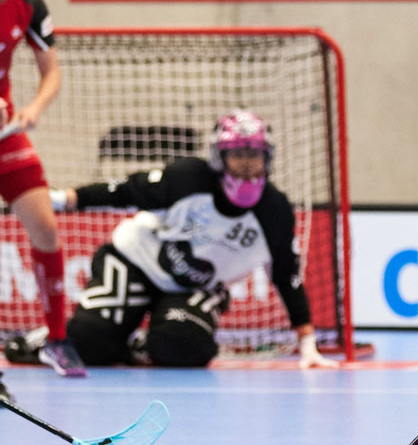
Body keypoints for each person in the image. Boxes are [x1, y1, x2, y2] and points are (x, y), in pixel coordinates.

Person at [14, 110, 337, 370]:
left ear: (269, 159)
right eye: (237, 154)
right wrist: (59, 199)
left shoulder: (275, 211)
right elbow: (125, 191)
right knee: (88, 342)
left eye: (256, 153)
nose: (248, 162)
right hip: (135, 260)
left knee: (184, 346)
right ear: (218, 158)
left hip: (195, 287)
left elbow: (286, 275)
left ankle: (143, 344)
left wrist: (307, 343)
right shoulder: (188, 178)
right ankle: (45, 338)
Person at [0, 0, 82, 378]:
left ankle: (57, 339)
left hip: (5, 133)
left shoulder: (28, 3)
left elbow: (51, 73)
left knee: (47, 231)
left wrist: (32, 109)